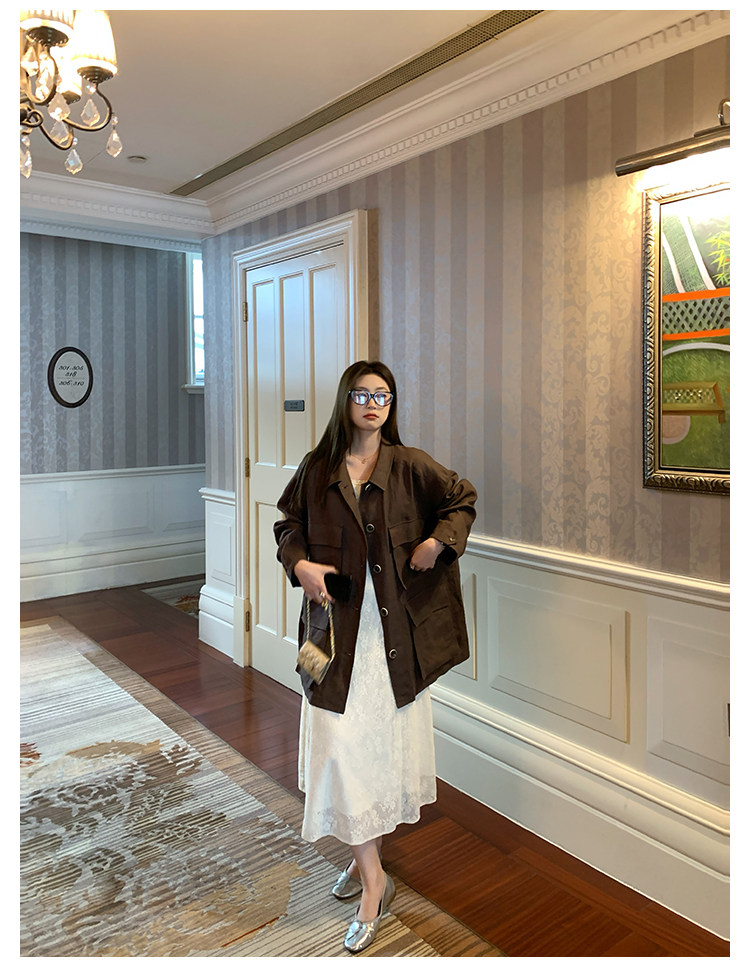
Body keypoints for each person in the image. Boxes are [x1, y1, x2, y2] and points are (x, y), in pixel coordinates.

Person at [274, 360, 477, 953]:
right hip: (329, 635)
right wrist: (300, 563)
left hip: (393, 640)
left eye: (382, 395)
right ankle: (374, 875)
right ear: (346, 401)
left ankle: (371, 881)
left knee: (379, 753)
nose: (372, 404)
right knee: (337, 749)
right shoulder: (317, 468)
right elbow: (288, 525)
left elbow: (462, 499)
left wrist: (436, 542)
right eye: (362, 394)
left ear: (391, 404)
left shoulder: (410, 465)